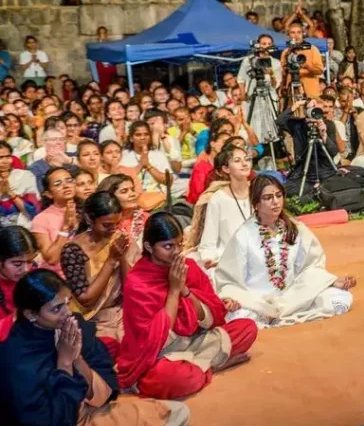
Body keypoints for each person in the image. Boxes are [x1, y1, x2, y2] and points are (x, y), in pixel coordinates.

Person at [0, 269, 190, 426]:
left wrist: (77, 358)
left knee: (177, 414)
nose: (67, 313)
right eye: (56, 309)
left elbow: (103, 396)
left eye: (67, 302)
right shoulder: (15, 357)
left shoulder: (74, 325)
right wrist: (64, 362)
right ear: (31, 314)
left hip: (88, 418)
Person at [118, 213, 257, 400]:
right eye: (168, 246)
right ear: (149, 247)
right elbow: (157, 339)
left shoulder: (188, 266)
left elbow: (214, 316)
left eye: (179, 244)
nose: (176, 252)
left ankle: (201, 366)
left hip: (197, 339)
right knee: (176, 379)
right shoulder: (137, 283)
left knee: (247, 328)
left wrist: (184, 290)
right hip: (160, 354)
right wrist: (174, 291)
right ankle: (212, 365)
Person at [215, 176, 357, 328]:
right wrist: (232, 298)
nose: (275, 202)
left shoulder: (295, 228)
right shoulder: (243, 235)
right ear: (256, 203)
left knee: (338, 298)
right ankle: (267, 316)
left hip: (292, 297)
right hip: (257, 301)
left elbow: (310, 266)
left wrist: (329, 281)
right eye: (268, 198)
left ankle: (277, 316)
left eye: (278, 195)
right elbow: (230, 279)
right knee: (237, 316)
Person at [61, 191, 132, 344]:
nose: (113, 229)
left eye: (117, 224)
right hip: (90, 319)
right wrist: (111, 260)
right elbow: (86, 300)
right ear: (88, 219)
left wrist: (122, 255)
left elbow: (131, 287)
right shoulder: (73, 250)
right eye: (106, 225)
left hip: (120, 312)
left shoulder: (118, 240)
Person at [193, 146, 253, 269]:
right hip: (229, 259)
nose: (244, 163)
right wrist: (209, 260)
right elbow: (208, 242)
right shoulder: (218, 199)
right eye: (237, 161)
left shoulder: (260, 192)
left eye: (247, 159)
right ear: (226, 168)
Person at [31, 167, 80, 271]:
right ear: (49, 194)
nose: (66, 186)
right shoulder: (41, 219)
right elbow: (52, 259)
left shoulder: (87, 210)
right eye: (58, 184)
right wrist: (65, 227)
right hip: (59, 278)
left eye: (69, 180)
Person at [118, 121, 173, 210]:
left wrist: (148, 166)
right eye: (138, 135)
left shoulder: (158, 155)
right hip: (131, 202)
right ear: (131, 138)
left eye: (146, 134)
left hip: (156, 201)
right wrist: (140, 165)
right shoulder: (124, 156)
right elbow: (121, 182)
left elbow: (168, 181)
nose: (142, 137)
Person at [0, 226, 36, 340]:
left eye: (30, 261)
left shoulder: (33, 275)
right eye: (17, 264)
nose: (26, 269)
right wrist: (18, 316)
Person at [0, 140, 39, 228]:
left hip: (23, 228)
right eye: (0, 158)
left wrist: (11, 194)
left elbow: (33, 212)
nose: (5, 161)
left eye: (8, 157)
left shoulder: (25, 176)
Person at [281, 22, 325, 100]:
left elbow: (320, 70)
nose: (296, 35)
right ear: (288, 35)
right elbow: (284, 74)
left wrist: (307, 66)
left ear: (302, 34)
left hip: (311, 94)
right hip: (292, 93)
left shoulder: (312, 49)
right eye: (293, 32)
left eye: (299, 32)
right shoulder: (286, 52)